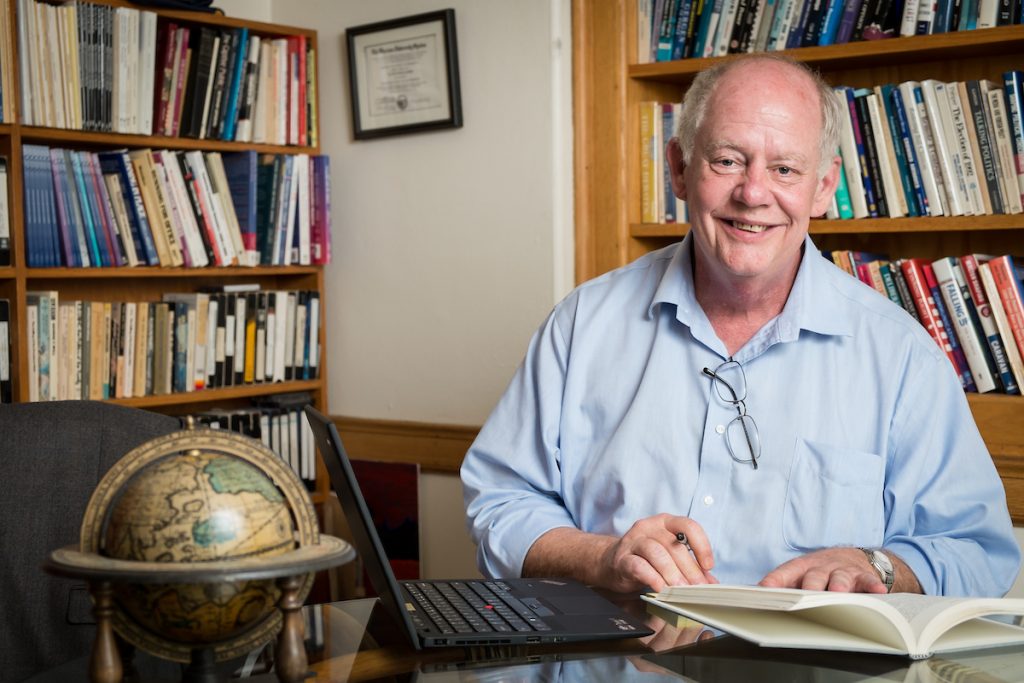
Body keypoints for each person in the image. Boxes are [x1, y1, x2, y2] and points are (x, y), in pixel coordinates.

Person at [460, 54, 1021, 597]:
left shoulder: (901, 356)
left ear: (823, 188)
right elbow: (502, 500)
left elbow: (976, 550)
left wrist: (875, 564)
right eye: (727, 160)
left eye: (784, 169)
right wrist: (602, 559)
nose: (753, 194)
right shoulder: (583, 323)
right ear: (679, 168)